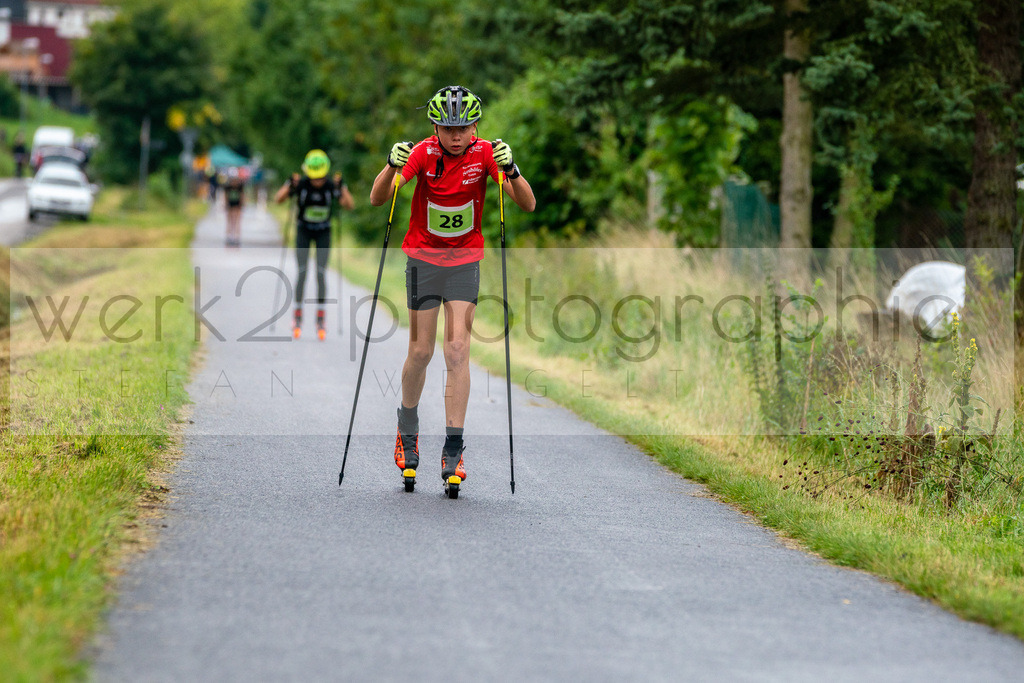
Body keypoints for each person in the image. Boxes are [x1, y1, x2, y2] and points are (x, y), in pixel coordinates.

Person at [369, 85, 536, 494]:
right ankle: (407, 429)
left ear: (475, 127)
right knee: (421, 351)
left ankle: (454, 448)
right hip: (423, 262)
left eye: (463, 127)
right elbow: (377, 199)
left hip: (464, 263)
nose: (456, 135)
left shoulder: (486, 154)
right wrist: (390, 167)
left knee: (458, 350)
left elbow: (528, 204)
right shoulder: (423, 153)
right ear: (435, 127)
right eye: (447, 128)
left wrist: (512, 170)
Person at [274, 149, 354, 340]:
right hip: (304, 231)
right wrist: (288, 185)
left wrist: (342, 188)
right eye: (314, 177)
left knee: (320, 273)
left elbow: (349, 205)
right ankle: (297, 314)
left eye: (320, 178)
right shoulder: (301, 184)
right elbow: (278, 199)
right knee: (302, 272)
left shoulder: (331, 185)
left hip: (323, 232)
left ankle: (320, 317)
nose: (317, 181)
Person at [223, 167, 245, 247]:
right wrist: (225, 205)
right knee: (230, 221)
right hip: (230, 205)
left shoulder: (240, 186)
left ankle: (236, 237)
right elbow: (225, 196)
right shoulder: (227, 187)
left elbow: (242, 196)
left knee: (237, 221)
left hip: (237, 205)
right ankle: (229, 237)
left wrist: (242, 205)